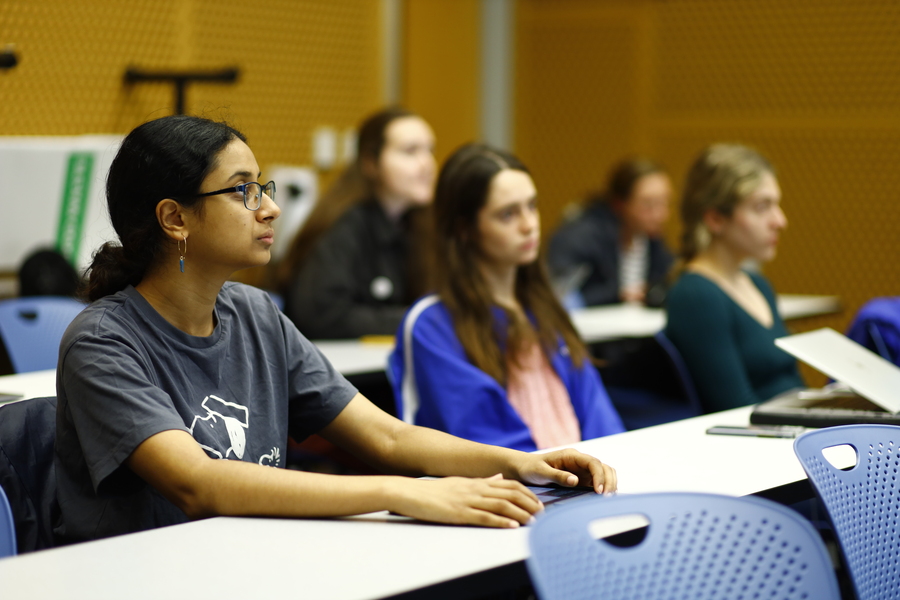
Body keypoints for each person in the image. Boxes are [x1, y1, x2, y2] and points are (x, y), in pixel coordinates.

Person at [54, 115, 617, 543]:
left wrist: (517, 462)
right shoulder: (103, 341)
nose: (269, 208)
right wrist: (403, 495)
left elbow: (389, 437)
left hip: (254, 560)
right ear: (175, 218)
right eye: (242, 190)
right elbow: (200, 484)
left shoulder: (255, 313)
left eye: (263, 187)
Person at [389, 144, 624, 452]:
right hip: (513, 491)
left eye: (532, 206)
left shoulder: (545, 308)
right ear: (465, 229)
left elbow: (600, 420)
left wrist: (612, 465)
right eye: (508, 214)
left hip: (581, 484)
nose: (529, 225)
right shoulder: (432, 325)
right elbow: (485, 442)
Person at [664, 143, 805, 413]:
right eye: (762, 207)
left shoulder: (759, 285)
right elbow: (736, 409)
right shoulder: (696, 295)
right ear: (716, 218)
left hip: (790, 432)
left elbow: (792, 385)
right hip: (757, 445)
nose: (780, 221)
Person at [278, 107, 436, 339]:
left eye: (430, 150)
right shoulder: (343, 225)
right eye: (410, 151)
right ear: (371, 162)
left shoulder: (417, 222)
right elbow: (322, 316)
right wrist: (419, 321)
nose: (427, 164)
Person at [548, 157, 673, 308]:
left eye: (665, 202)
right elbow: (560, 296)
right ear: (620, 204)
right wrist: (616, 294)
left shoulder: (651, 238)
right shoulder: (580, 237)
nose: (660, 215)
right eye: (648, 204)